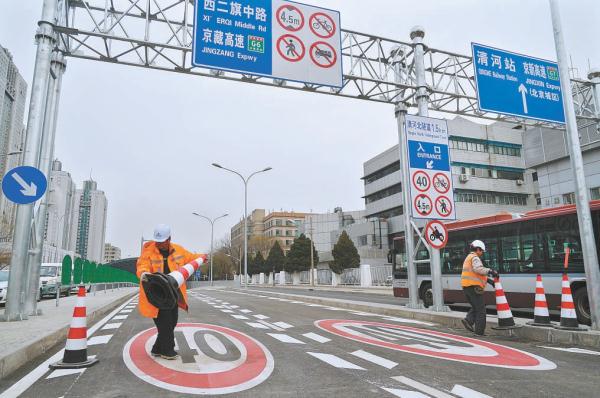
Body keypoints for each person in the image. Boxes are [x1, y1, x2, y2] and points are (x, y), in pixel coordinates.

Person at [136, 224, 206, 359]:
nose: (160, 244)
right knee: (165, 323)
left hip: (172, 293)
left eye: (162, 242)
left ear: (169, 239)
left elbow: (190, 258)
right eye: (158, 242)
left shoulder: (178, 250)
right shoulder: (148, 252)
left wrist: (202, 257)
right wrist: (144, 273)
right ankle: (167, 350)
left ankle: (157, 348)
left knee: (172, 322)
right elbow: (142, 265)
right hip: (156, 294)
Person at [460, 240, 498, 336]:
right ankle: (479, 332)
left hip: (467, 287)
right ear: (477, 249)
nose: (482, 253)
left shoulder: (468, 257)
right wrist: (491, 271)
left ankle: (468, 320)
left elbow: (476, 274)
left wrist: (489, 281)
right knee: (481, 310)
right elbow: (478, 269)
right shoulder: (475, 258)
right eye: (481, 251)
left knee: (476, 307)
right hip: (474, 287)